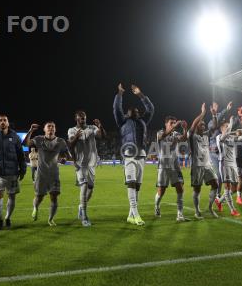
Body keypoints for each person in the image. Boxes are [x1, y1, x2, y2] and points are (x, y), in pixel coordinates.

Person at [113, 83, 154, 226]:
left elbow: (151, 108)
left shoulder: (143, 121)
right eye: (133, 110)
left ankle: (131, 216)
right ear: (127, 113)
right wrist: (119, 94)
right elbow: (116, 109)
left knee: (137, 187)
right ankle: (136, 214)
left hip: (141, 155)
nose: (136, 111)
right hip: (129, 154)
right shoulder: (122, 121)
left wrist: (140, 94)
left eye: (137, 110)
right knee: (130, 184)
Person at [24, 122, 72, 226]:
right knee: (39, 197)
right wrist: (31, 130)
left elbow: (68, 155)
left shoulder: (61, 141)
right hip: (41, 174)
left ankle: (50, 219)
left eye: (53, 127)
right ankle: (35, 208)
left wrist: (64, 158)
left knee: (54, 197)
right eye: (48, 127)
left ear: (55, 129)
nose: (51, 128)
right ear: (45, 130)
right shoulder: (39, 139)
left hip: (54, 174)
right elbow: (25, 144)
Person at [68, 111, 106, 227]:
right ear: (76, 119)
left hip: (91, 163)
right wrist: (76, 137)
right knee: (84, 187)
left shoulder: (91, 128)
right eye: (80, 118)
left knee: (91, 188)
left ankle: (81, 206)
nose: (82, 120)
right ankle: (84, 217)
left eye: (84, 118)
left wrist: (100, 127)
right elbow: (70, 145)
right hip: (80, 164)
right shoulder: (72, 130)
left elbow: (102, 136)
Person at [187, 103, 219, 218]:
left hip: (208, 165)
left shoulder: (206, 135)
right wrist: (203, 113)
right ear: (197, 127)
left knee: (215, 184)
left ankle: (210, 208)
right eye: (202, 124)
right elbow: (193, 124)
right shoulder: (191, 136)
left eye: (204, 124)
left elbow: (214, 127)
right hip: (197, 166)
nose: (204, 126)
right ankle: (197, 211)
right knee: (197, 189)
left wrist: (214, 115)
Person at [154, 116, 188, 221]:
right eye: (171, 123)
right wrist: (174, 126)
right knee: (161, 192)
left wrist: (185, 129)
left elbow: (184, 138)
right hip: (163, 166)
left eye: (174, 122)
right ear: (166, 124)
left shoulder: (175, 134)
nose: (173, 124)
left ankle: (180, 214)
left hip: (174, 165)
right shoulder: (160, 132)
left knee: (180, 189)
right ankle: (157, 206)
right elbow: (161, 137)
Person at [208, 101, 232, 211]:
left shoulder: (220, 120)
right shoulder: (210, 123)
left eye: (218, 105)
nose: (216, 107)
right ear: (211, 108)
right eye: (214, 106)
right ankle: (217, 197)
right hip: (214, 152)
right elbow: (215, 124)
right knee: (218, 175)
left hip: (223, 151)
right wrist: (226, 110)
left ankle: (218, 197)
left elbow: (224, 127)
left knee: (223, 177)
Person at [216, 116, 240, 216]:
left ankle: (219, 201)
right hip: (224, 163)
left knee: (234, 188)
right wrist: (231, 122)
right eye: (226, 126)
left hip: (233, 164)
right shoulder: (219, 137)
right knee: (227, 187)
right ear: (222, 128)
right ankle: (232, 210)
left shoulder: (231, 137)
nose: (228, 127)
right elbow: (224, 135)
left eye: (228, 126)